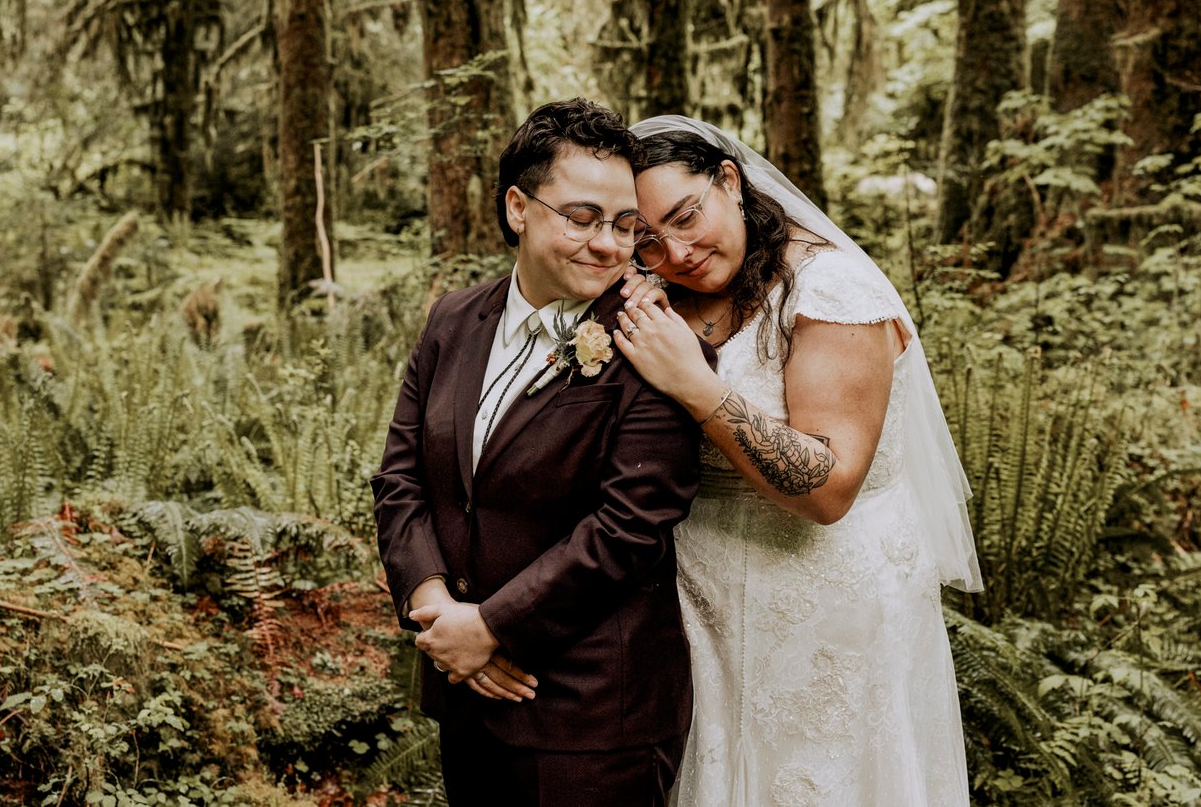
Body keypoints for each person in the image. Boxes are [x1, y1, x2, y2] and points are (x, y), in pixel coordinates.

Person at [611, 117, 982, 807]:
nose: (679, 251)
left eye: (686, 217)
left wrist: (695, 386)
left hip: (829, 605)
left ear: (728, 180)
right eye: (648, 242)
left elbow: (830, 486)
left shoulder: (833, 290)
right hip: (698, 602)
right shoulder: (661, 296)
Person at [370, 100, 709, 807]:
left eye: (625, 225)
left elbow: (630, 527)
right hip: (466, 697)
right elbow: (401, 477)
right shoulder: (454, 320)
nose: (609, 245)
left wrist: (492, 627)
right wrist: (436, 609)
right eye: (582, 218)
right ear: (519, 207)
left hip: (588, 718)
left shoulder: (655, 341)